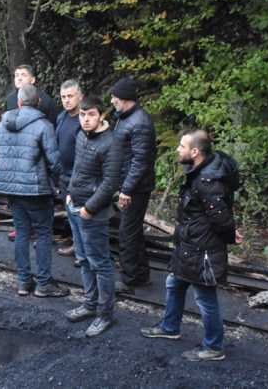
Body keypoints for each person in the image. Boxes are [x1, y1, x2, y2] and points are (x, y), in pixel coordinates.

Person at [141, 129, 238, 362]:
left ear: (195, 152)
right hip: (190, 244)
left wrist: (230, 234)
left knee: (205, 298)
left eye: (181, 146)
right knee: (174, 283)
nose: (177, 149)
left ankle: (214, 347)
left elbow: (221, 217)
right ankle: (170, 327)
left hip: (202, 249)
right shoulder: (201, 171)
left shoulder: (207, 181)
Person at [0, 84, 66, 297]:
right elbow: (54, 161)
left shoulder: (2, 124)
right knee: (43, 234)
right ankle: (44, 284)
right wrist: (58, 185)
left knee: (22, 233)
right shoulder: (43, 125)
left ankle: (23, 282)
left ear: (20, 102)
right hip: (36, 190)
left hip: (11, 190)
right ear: (39, 102)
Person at [64, 96, 121, 336]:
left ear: (101, 116)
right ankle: (89, 303)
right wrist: (69, 194)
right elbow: (78, 169)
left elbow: (110, 183)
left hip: (92, 213)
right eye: (82, 115)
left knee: (100, 263)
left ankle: (104, 314)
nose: (86, 120)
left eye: (91, 115)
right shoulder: (81, 136)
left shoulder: (111, 143)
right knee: (84, 259)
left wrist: (89, 208)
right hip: (74, 205)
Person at [110, 75, 157, 293]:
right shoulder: (125, 117)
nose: (111, 101)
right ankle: (142, 274)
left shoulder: (140, 123)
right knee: (133, 231)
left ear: (125, 98)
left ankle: (129, 279)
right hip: (129, 184)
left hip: (136, 188)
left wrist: (127, 189)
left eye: (114, 97)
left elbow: (140, 161)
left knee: (127, 233)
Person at [55, 79, 83, 256]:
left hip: (79, 175)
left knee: (80, 215)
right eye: (63, 97)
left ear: (80, 96)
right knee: (70, 214)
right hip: (63, 173)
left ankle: (82, 252)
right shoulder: (61, 117)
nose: (67, 100)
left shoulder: (85, 119)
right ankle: (76, 245)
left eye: (70, 96)